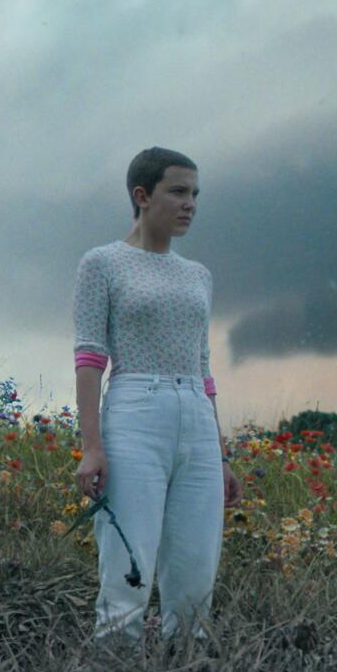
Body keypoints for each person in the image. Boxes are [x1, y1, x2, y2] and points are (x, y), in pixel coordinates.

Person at [71, 147, 241, 639]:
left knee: (195, 576)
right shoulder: (102, 263)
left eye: (195, 194)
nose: (190, 204)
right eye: (178, 192)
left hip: (197, 420)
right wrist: (91, 446)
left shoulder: (198, 275)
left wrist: (220, 454)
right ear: (142, 196)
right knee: (129, 568)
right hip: (135, 414)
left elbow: (203, 366)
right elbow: (89, 357)